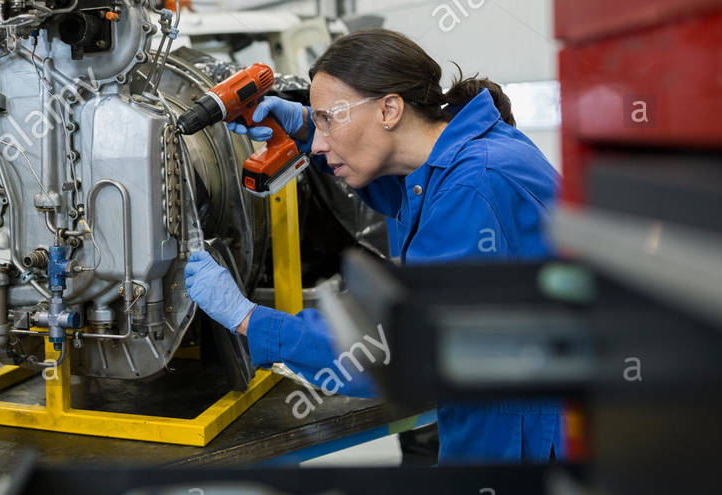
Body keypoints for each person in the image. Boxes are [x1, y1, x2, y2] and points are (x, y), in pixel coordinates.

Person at [184, 29, 563, 462]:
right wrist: (305, 127)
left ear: (389, 109)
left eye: (329, 118)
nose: (321, 142)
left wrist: (248, 319)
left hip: (528, 439)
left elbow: (397, 349)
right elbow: (404, 196)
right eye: (318, 120)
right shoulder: (461, 155)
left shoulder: (475, 185)